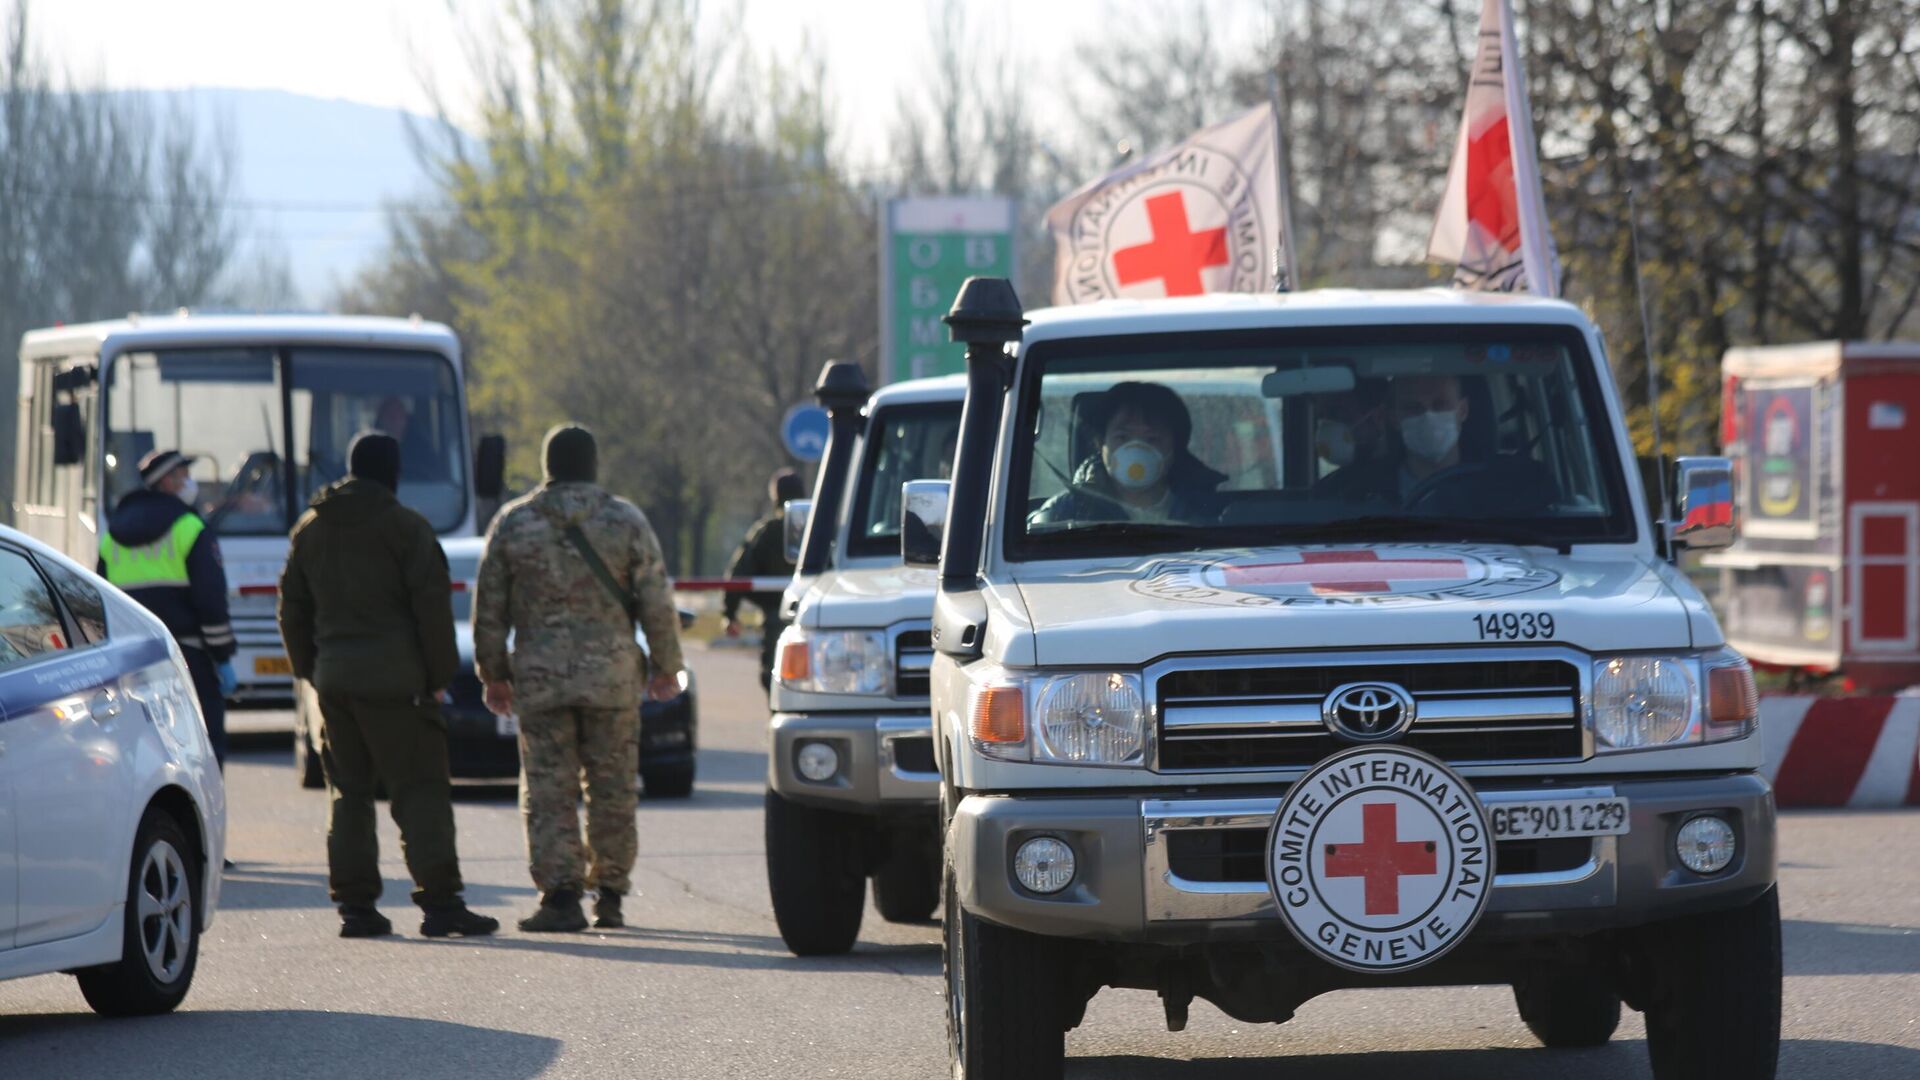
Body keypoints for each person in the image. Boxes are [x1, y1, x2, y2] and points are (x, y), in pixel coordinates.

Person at [277, 432, 499, 940]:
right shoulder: (407, 529)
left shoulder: (310, 529)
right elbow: (433, 614)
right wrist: (439, 678)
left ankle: (357, 909)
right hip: (398, 684)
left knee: (347, 794)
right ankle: (440, 904)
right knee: (419, 790)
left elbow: (291, 608)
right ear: (394, 473)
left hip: (334, 681)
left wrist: (311, 669)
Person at [473, 424, 686, 933]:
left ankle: (561, 897)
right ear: (593, 464)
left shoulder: (515, 522)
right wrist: (665, 666)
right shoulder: (625, 520)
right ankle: (610, 895)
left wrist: (492, 673)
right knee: (613, 788)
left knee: (549, 790)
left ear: (548, 465)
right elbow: (656, 598)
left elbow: (490, 607)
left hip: (541, 681)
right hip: (612, 680)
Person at [99, 449, 236, 766]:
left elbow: (100, 600)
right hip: (189, 659)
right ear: (168, 481)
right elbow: (210, 599)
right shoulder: (189, 528)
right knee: (203, 752)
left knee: (148, 757)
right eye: (184, 476)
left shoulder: (113, 537)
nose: (190, 482)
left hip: (131, 661)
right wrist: (223, 655)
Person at [1030, 381, 1227, 526]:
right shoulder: (1066, 511)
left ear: (1176, 446)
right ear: (1101, 443)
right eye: (1122, 437)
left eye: (1152, 439)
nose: (1137, 449)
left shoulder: (1210, 509)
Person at [724, 469, 804, 691]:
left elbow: (738, 573)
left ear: (775, 497)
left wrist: (730, 613)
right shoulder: (821, 529)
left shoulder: (766, 532)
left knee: (775, 678)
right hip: (816, 617)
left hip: (776, 617)